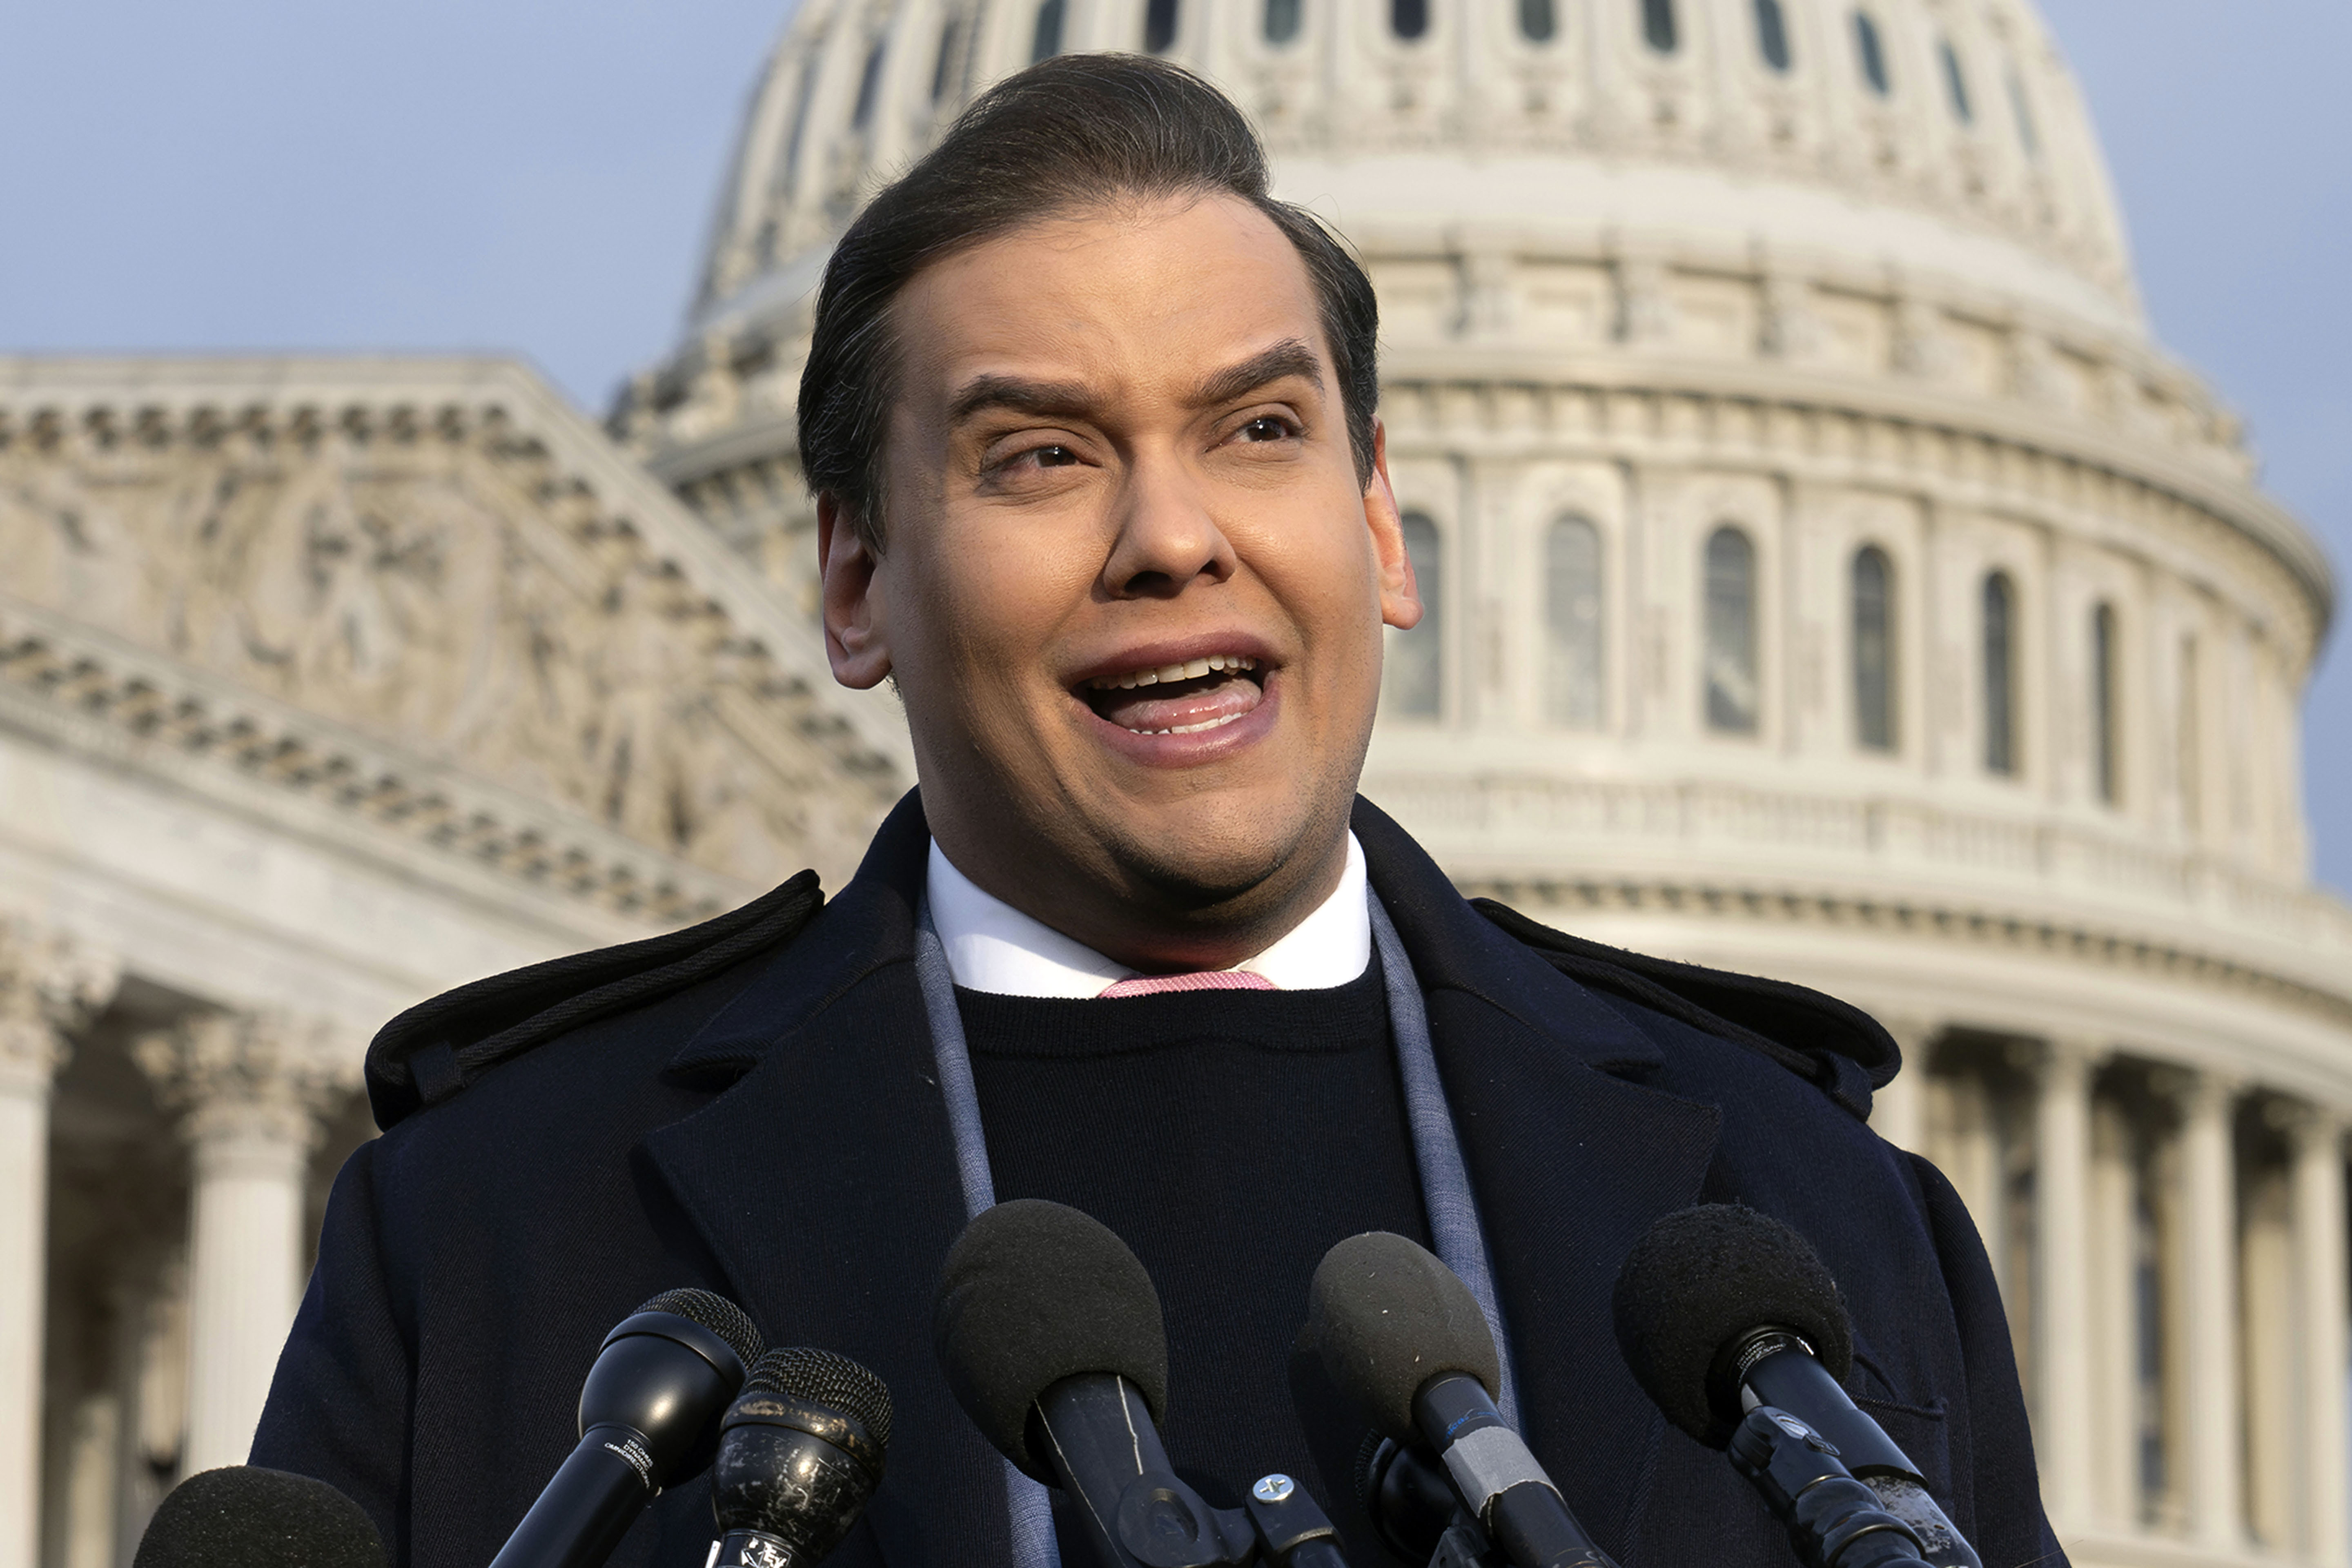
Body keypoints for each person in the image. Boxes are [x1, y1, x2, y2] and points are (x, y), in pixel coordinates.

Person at [254, 54, 2061, 1568]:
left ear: (1378, 523)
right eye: (1041, 454)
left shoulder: (1819, 1225)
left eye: (1258, 430)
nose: (1174, 536)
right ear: (857, 578)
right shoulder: (498, 1222)